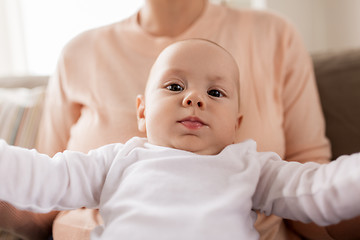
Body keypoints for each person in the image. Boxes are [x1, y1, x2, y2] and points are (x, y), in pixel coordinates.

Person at [1, 0, 360, 240]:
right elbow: (45, 178)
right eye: (175, 86)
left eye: (215, 94)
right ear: (141, 112)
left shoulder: (252, 168)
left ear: (237, 124)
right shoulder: (115, 161)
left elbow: (318, 190)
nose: (194, 98)